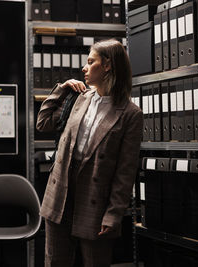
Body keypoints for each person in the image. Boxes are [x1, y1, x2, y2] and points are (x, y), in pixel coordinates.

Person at [36, 39, 143, 267]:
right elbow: (43, 123)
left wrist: (114, 214)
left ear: (107, 66)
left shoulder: (130, 114)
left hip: (96, 202)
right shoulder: (78, 98)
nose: (84, 68)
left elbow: (126, 172)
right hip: (60, 198)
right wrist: (61, 89)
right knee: (55, 262)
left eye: (90, 62)